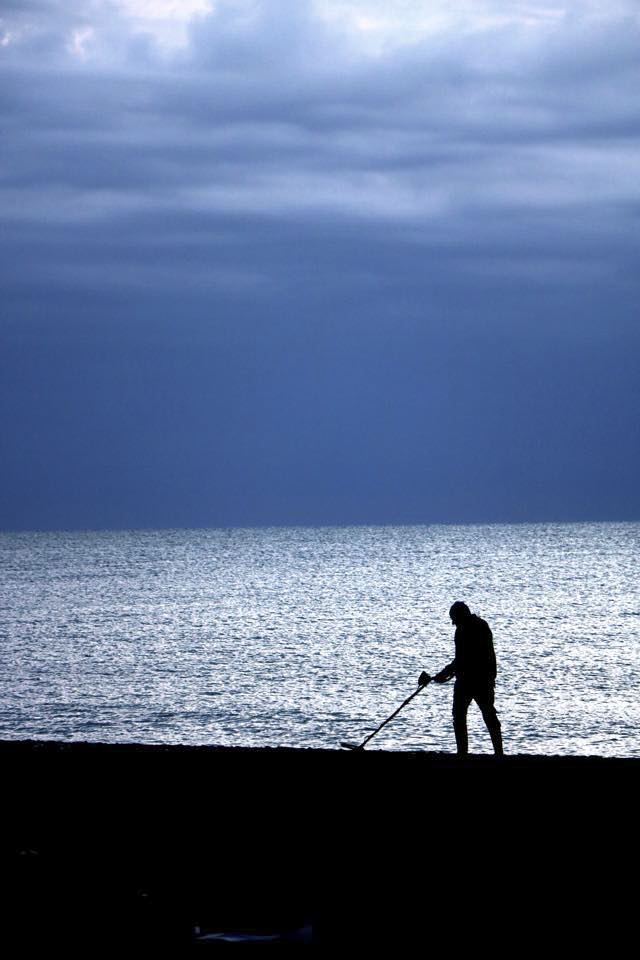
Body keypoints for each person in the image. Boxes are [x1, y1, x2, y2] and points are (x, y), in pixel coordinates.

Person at [419, 601, 503, 756]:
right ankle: (498, 753)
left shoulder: (463, 630)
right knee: (487, 715)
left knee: (461, 716)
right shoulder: (481, 625)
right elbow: (484, 657)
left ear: (460, 615)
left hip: (470, 681)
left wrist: (443, 674)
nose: (452, 623)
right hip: (481, 679)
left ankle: (463, 753)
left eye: (454, 619)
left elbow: (461, 660)